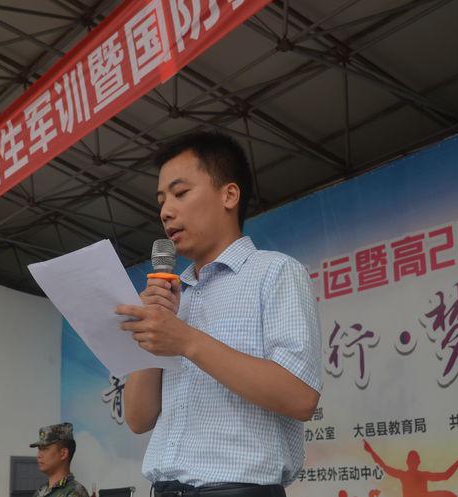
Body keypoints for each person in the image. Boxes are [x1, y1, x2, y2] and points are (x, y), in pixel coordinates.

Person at [116, 132, 323, 497]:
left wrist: (185, 340)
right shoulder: (174, 296)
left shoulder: (274, 272)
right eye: (161, 201)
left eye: (180, 193)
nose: (165, 212)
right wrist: (153, 327)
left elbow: (300, 397)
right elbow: (138, 418)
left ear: (229, 195)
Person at [363, 440, 458, 497]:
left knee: (448, 495)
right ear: (408, 462)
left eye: (414, 460)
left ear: (418, 462)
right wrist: (371, 451)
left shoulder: (419, 475)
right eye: (412, 460)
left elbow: (445, 476)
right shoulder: (404, 475)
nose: (413, 462)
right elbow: (384, 466)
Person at [29, 423, 89, 497]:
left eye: (45, 449)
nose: (39, 455)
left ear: (63, 454)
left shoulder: (75, 492)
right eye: (39, 449)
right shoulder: (40, 491)